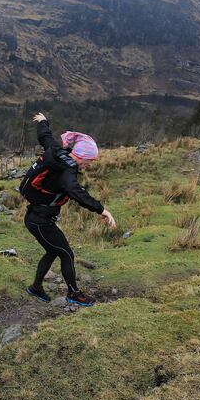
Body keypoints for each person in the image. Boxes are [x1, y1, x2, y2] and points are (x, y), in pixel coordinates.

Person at [20, 112, 117, 306]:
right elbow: (76, 191)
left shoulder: (57, 151)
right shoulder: (67, 172)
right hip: (40, 222)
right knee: (66, 253)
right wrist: (102, 210)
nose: (89, 166)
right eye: (89, 161)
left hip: (38, 217)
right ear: (81, 156)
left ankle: (36, 288)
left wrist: (43, 121)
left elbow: (45, 137)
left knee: (53, 251)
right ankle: (73, 293)